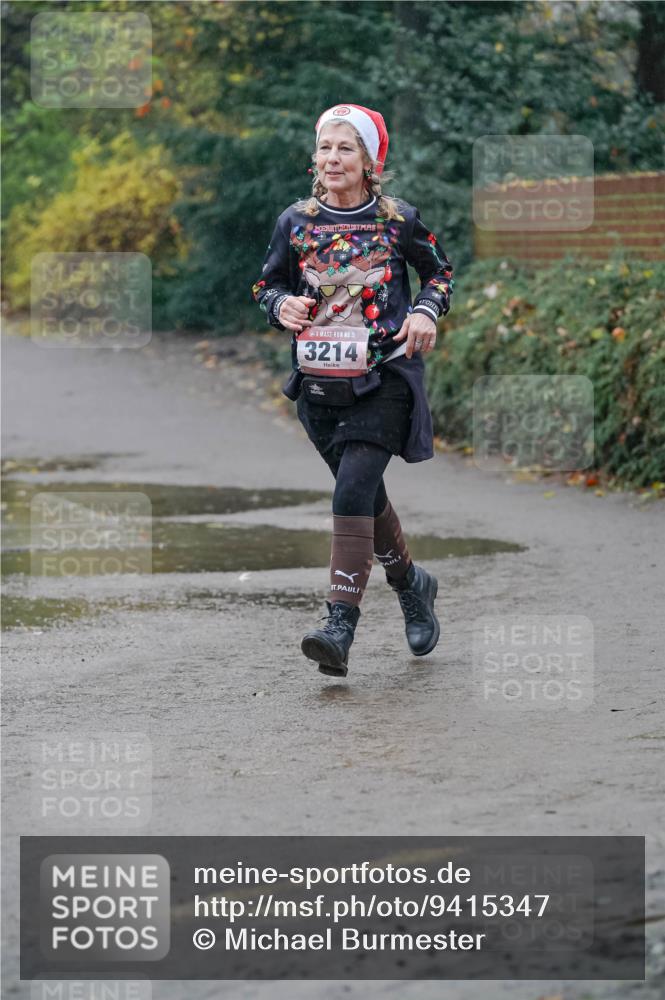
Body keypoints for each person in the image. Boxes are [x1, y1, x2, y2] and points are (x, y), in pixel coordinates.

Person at [252, 103, 454, 678]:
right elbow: (266, 284)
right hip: (319, 386)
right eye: (325, 148)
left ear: (370, 163)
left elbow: (439, 272)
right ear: (314, 159)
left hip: (385, 377)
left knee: (351, 492)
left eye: (346, 148)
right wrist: (280, 305)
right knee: (362, 493)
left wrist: (425, 311)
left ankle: (339, 624)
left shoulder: (398, 220)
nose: (332, 158)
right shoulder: (295, 221)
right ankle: (411, 584)